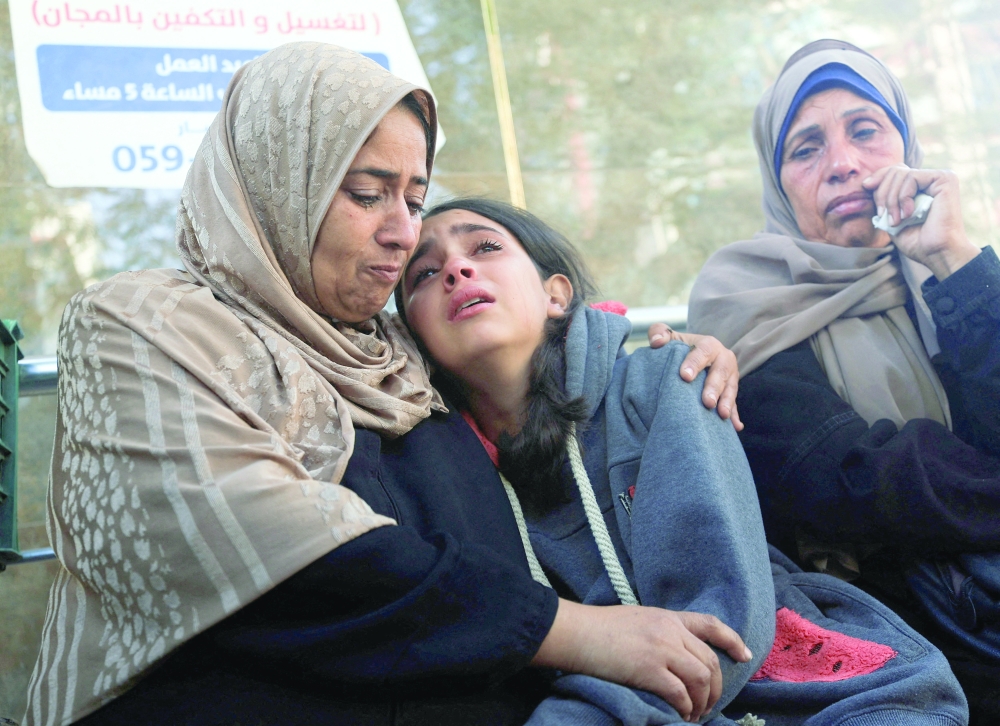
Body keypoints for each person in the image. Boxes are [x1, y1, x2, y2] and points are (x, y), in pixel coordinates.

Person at [24, 42, 747, 726]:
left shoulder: (403, 358)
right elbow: (248, 543)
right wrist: (573, 632)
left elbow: (538, 377)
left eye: (414, 198)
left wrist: (664, 364)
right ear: (279, 187)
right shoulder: (144, 322)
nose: (404, 234)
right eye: (369, 194)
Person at [397, 196, 969, 725]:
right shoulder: (440, 477)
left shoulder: (666, 377)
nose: (457, 269)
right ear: (413, 337)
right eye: (423, 273)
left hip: (833, 696)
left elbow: (722, 618)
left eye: (485, 247)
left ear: (557, 295)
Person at [688, 39, 1000, 720]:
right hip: (882, 644)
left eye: (866, 131)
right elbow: (858, 483)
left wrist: (954, 256)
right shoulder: (743, 299)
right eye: (806, 149)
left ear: (906, 146)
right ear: (778, 183)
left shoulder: (948, 279)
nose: (843, 164)